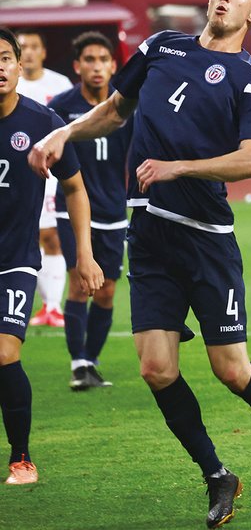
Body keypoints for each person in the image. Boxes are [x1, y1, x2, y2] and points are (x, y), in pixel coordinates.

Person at [29, 0, 251, 527]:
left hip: (207, 240)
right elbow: (116, 108)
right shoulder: (162, 46)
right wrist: (65, 132)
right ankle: (216, 475)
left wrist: (178, 167)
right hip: (151, 238)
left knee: (231, 371)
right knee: (156, 369)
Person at [0, 26, 103, 485]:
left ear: (20, 66)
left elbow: (75, 189)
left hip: (14, 260)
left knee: (4, 352)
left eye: (4, 58)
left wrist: (85, 254)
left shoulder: (42, 123)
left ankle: (20, 457)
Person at [49, 32, 133, 391]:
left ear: (113, 65)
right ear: (77, 66)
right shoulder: (62, 107)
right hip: (72, 209)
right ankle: (78, 363)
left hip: (114, 208)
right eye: (89, 60)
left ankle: (92, 362)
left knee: (107, 291)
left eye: (103, 60)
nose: (96, 67)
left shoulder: (126, 105)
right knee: (80, 282)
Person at [14, 30, 73, 328]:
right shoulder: (12, 83)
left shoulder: (59, 84)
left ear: (43, 52)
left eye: (34, 46)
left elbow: (69, 128)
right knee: (27, 236)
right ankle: (40, 306)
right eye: (23, 47)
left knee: (51, 236)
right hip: (15, 172)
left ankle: (53, 307)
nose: (29, 52)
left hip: (50, 173)